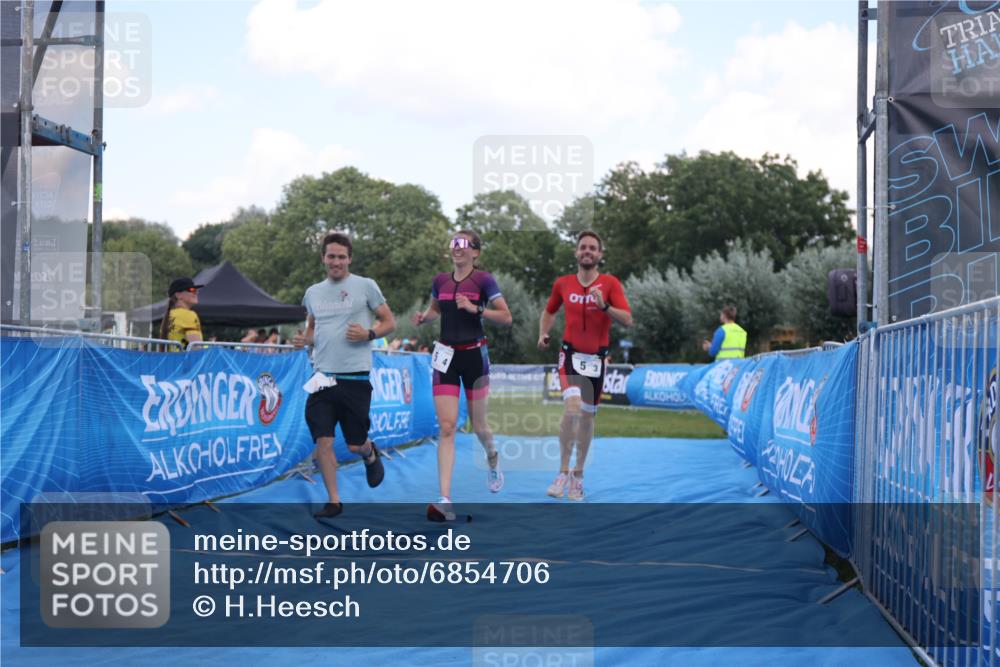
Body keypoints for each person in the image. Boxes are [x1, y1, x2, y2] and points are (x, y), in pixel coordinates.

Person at [293, 231, 396, 519]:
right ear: (323, 258)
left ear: (349, 258)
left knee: (353, 444)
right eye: (331, 256)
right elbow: (313, 328)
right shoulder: (312, 293)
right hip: (322, 379)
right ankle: (334, 501)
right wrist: (305, 340)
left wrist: (369, 333)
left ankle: (369, 452)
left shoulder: (365, 286)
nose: (336, 261)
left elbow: (390, 322)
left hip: (355, 379)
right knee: (323, 442)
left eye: (341, 256)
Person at [411, 229, 512, 521]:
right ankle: (444, 499)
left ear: (475, 252)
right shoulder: (439, 280)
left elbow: (506, 317)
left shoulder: (484, 280)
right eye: (453, 242)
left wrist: (476, 308)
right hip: (445, 356)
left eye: (463, 243)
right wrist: (423, 318)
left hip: (474, 356)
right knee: (446, 426)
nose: (457, 247)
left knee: (479, 425)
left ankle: (492, 455)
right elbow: (434, 310)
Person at [538, 231, 631, 501]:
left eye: (592, 248)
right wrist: (543, 333)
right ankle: (562, 471)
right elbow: (549, 311)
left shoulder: (611, 284)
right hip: (569, 355)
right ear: (576, 253)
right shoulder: (563, 283)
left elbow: (627, 319)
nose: (587, 251)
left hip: (596, 360)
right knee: (572, 406)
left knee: (588, 416)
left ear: (600, 255)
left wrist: (605, 307)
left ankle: (578, 475)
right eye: (583, 247)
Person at [159, 277, 204, 350]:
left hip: (173, 360)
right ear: (178, 295)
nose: (196, 293)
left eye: (196, 290)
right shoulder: (188, 315)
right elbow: (196, 348)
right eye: (192, 290)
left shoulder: (168, 315)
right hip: (186, 360)